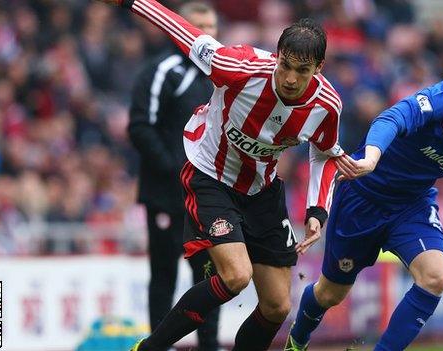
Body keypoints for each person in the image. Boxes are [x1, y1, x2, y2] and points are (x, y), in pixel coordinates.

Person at [97, 1, 355, 350]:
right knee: (236, 275)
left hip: (262, 191)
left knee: (278, 306)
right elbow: (183, 32)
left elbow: (324, 154)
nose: (291, 78)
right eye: (286, 66)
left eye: (303, 70)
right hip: (211, 177)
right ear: (276, 56)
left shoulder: (326, 105)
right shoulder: (237, 66)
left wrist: (316, 211)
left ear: (319, 68)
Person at [285, 42, 443, 351]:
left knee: (435, 277)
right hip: (363, 197)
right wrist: (371, 157)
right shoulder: (435, 102)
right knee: (330, 294)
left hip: (412, 205)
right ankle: (297, 342)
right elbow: (390, 120)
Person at [127, 2, 220, 350]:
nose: (206, 33)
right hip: (167, 195)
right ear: (179, 29)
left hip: (208, 199)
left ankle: (209, 346)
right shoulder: (162, 71)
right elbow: (139, 127)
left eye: (211, 26)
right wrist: (175, 168)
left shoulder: (223, 78)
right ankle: (158, 345)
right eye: (198, 26)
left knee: (211, 278)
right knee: (164, 276)